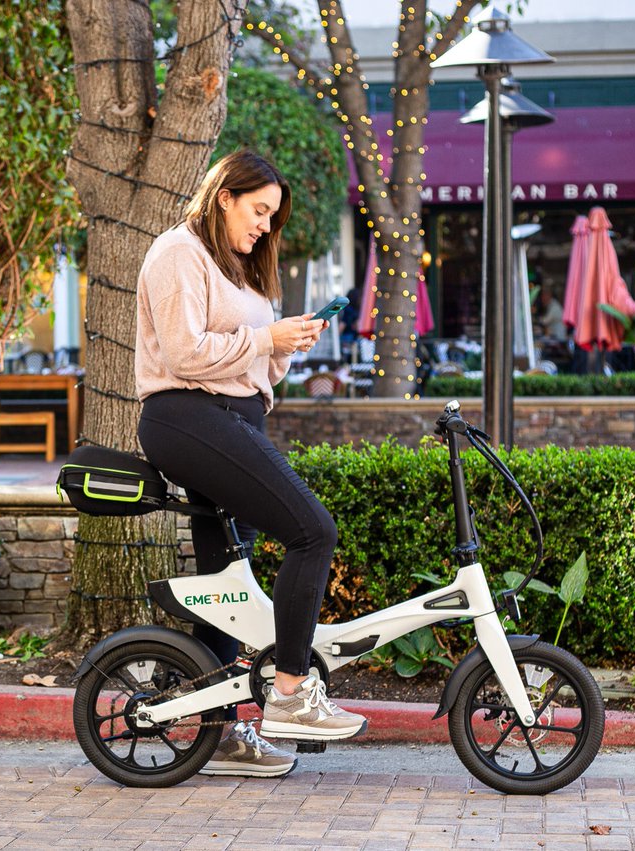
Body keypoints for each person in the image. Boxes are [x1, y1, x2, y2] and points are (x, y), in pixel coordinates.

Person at [135, 150, 367, 779]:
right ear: (223, 197)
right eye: (259, 210)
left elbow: (255, 366)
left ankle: (223, 738)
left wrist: (288, 343)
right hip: (187, 417)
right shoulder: (178, 252)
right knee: (312, 531)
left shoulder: (243, 266)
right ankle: (290, 696)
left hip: (232, 417)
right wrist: (266, 338)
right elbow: (184, 354)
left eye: (273, 216)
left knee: (225, 586)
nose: (267, 225)